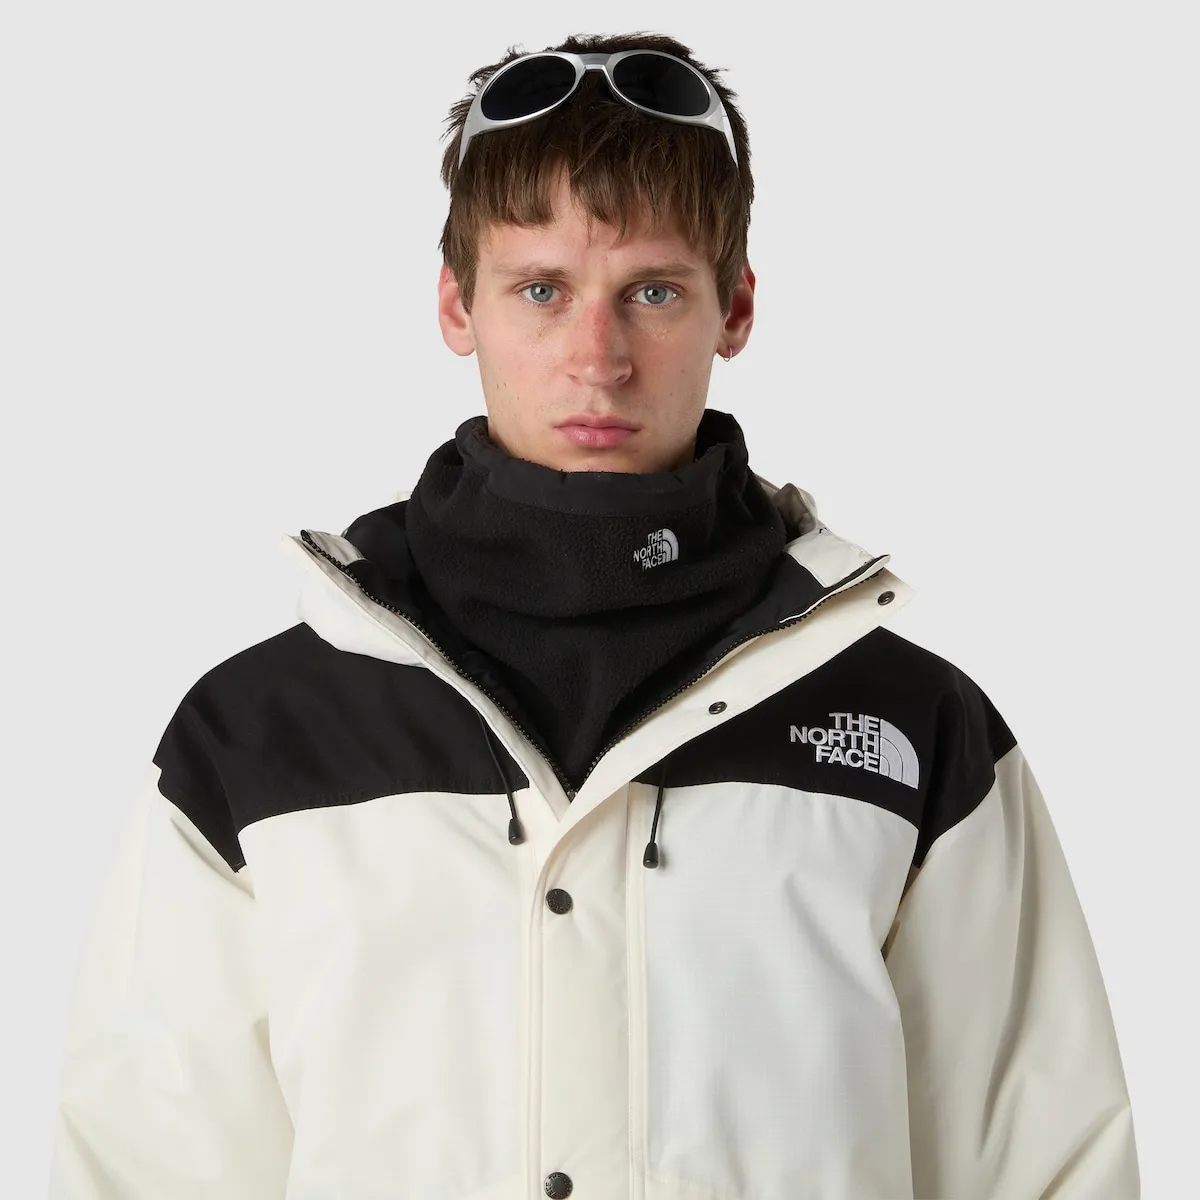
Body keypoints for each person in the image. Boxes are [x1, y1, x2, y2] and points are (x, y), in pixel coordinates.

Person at [48, 30, 1140, 1200]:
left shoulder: (912, 728)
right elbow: (146, 1170)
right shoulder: (260, 735)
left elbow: (1044, 1166)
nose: (598, 358)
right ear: (457, 305)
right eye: (542, 290)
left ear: (736, 308)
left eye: (653, 292)